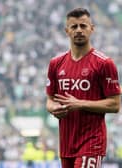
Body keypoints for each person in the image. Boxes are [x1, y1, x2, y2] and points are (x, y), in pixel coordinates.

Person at [45, 8, 121, 168]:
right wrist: (54, 109)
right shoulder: (55, 63)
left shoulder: (104, 63)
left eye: (83, 26)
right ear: (67, 31)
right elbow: (50, 100)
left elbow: (115, 105)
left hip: (92, 142)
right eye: (74, 27)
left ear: (92, 28)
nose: (79, 30)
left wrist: (79, 103)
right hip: (66, 143)